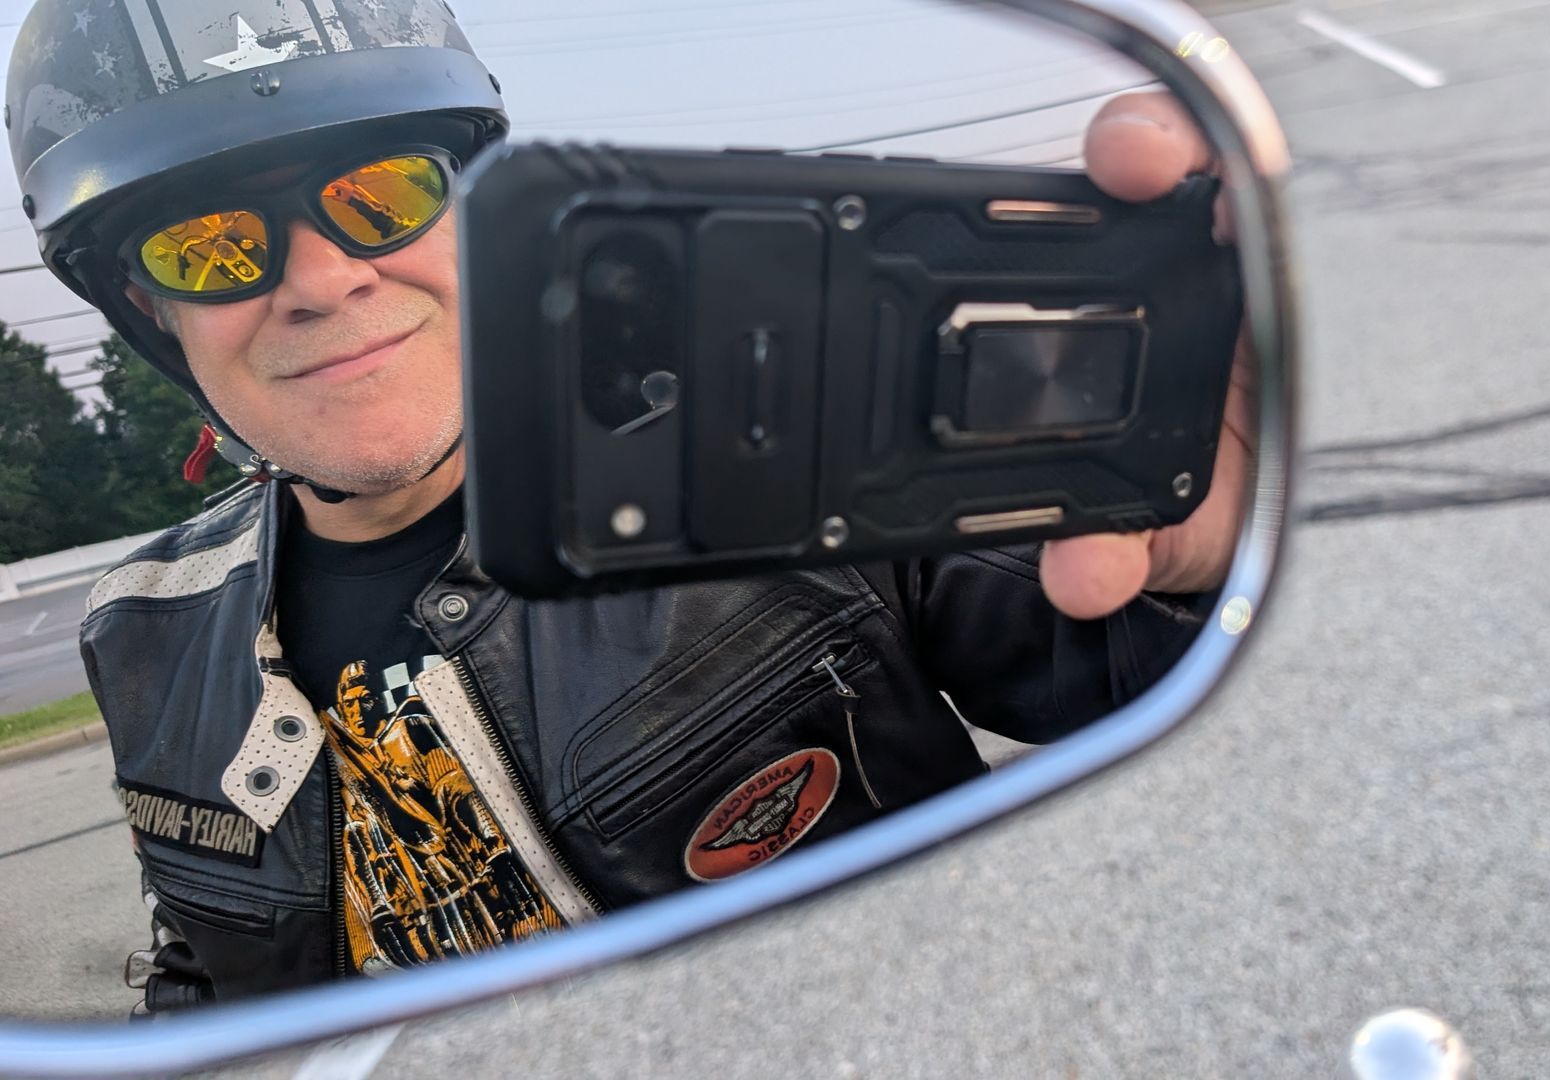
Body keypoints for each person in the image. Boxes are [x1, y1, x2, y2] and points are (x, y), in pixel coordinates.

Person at [7, 0, 1252, 1014]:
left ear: (479, 206)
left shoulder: (768, 473)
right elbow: (205, 966)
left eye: (382, 192)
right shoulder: (145, 626)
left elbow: (1154, 692)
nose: (327, 277)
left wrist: (1204, 549)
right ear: (146, 311)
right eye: (211, 246)